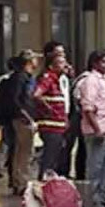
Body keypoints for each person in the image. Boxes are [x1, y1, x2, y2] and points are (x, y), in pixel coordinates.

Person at [76, 50, 105, 207]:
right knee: (95, 166)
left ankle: (102, 193)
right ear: (94, 63)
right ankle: (92, 197)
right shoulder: (90, 80)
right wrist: (97, 129)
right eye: (103, 62)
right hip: (98, 129)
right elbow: (88, 107)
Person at [0, 50, 38, 196]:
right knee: (24, 152)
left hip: (22, 117)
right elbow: (16, 100)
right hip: (22, 119)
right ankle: (21, 181)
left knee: (22, 151)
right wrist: (26, 115)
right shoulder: (20, 78)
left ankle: (18, 180)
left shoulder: (23, 78)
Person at [34, 51, 69, 179]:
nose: (65, 65)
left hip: (58, 125)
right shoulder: (48, 78)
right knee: (49, 157)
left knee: (54, 156)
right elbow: (37, 94)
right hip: (51, 125)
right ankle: (43, 182)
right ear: (51, 66)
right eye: (60, 63)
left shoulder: (58, 81)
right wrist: (48, 109)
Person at [0, 56, 22, 181]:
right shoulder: (16, 80)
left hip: (4, 115)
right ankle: (2, 164)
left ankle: (2, 164)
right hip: (13, 115)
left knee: (7, 141)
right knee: (13, 143)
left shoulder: (2, 80)